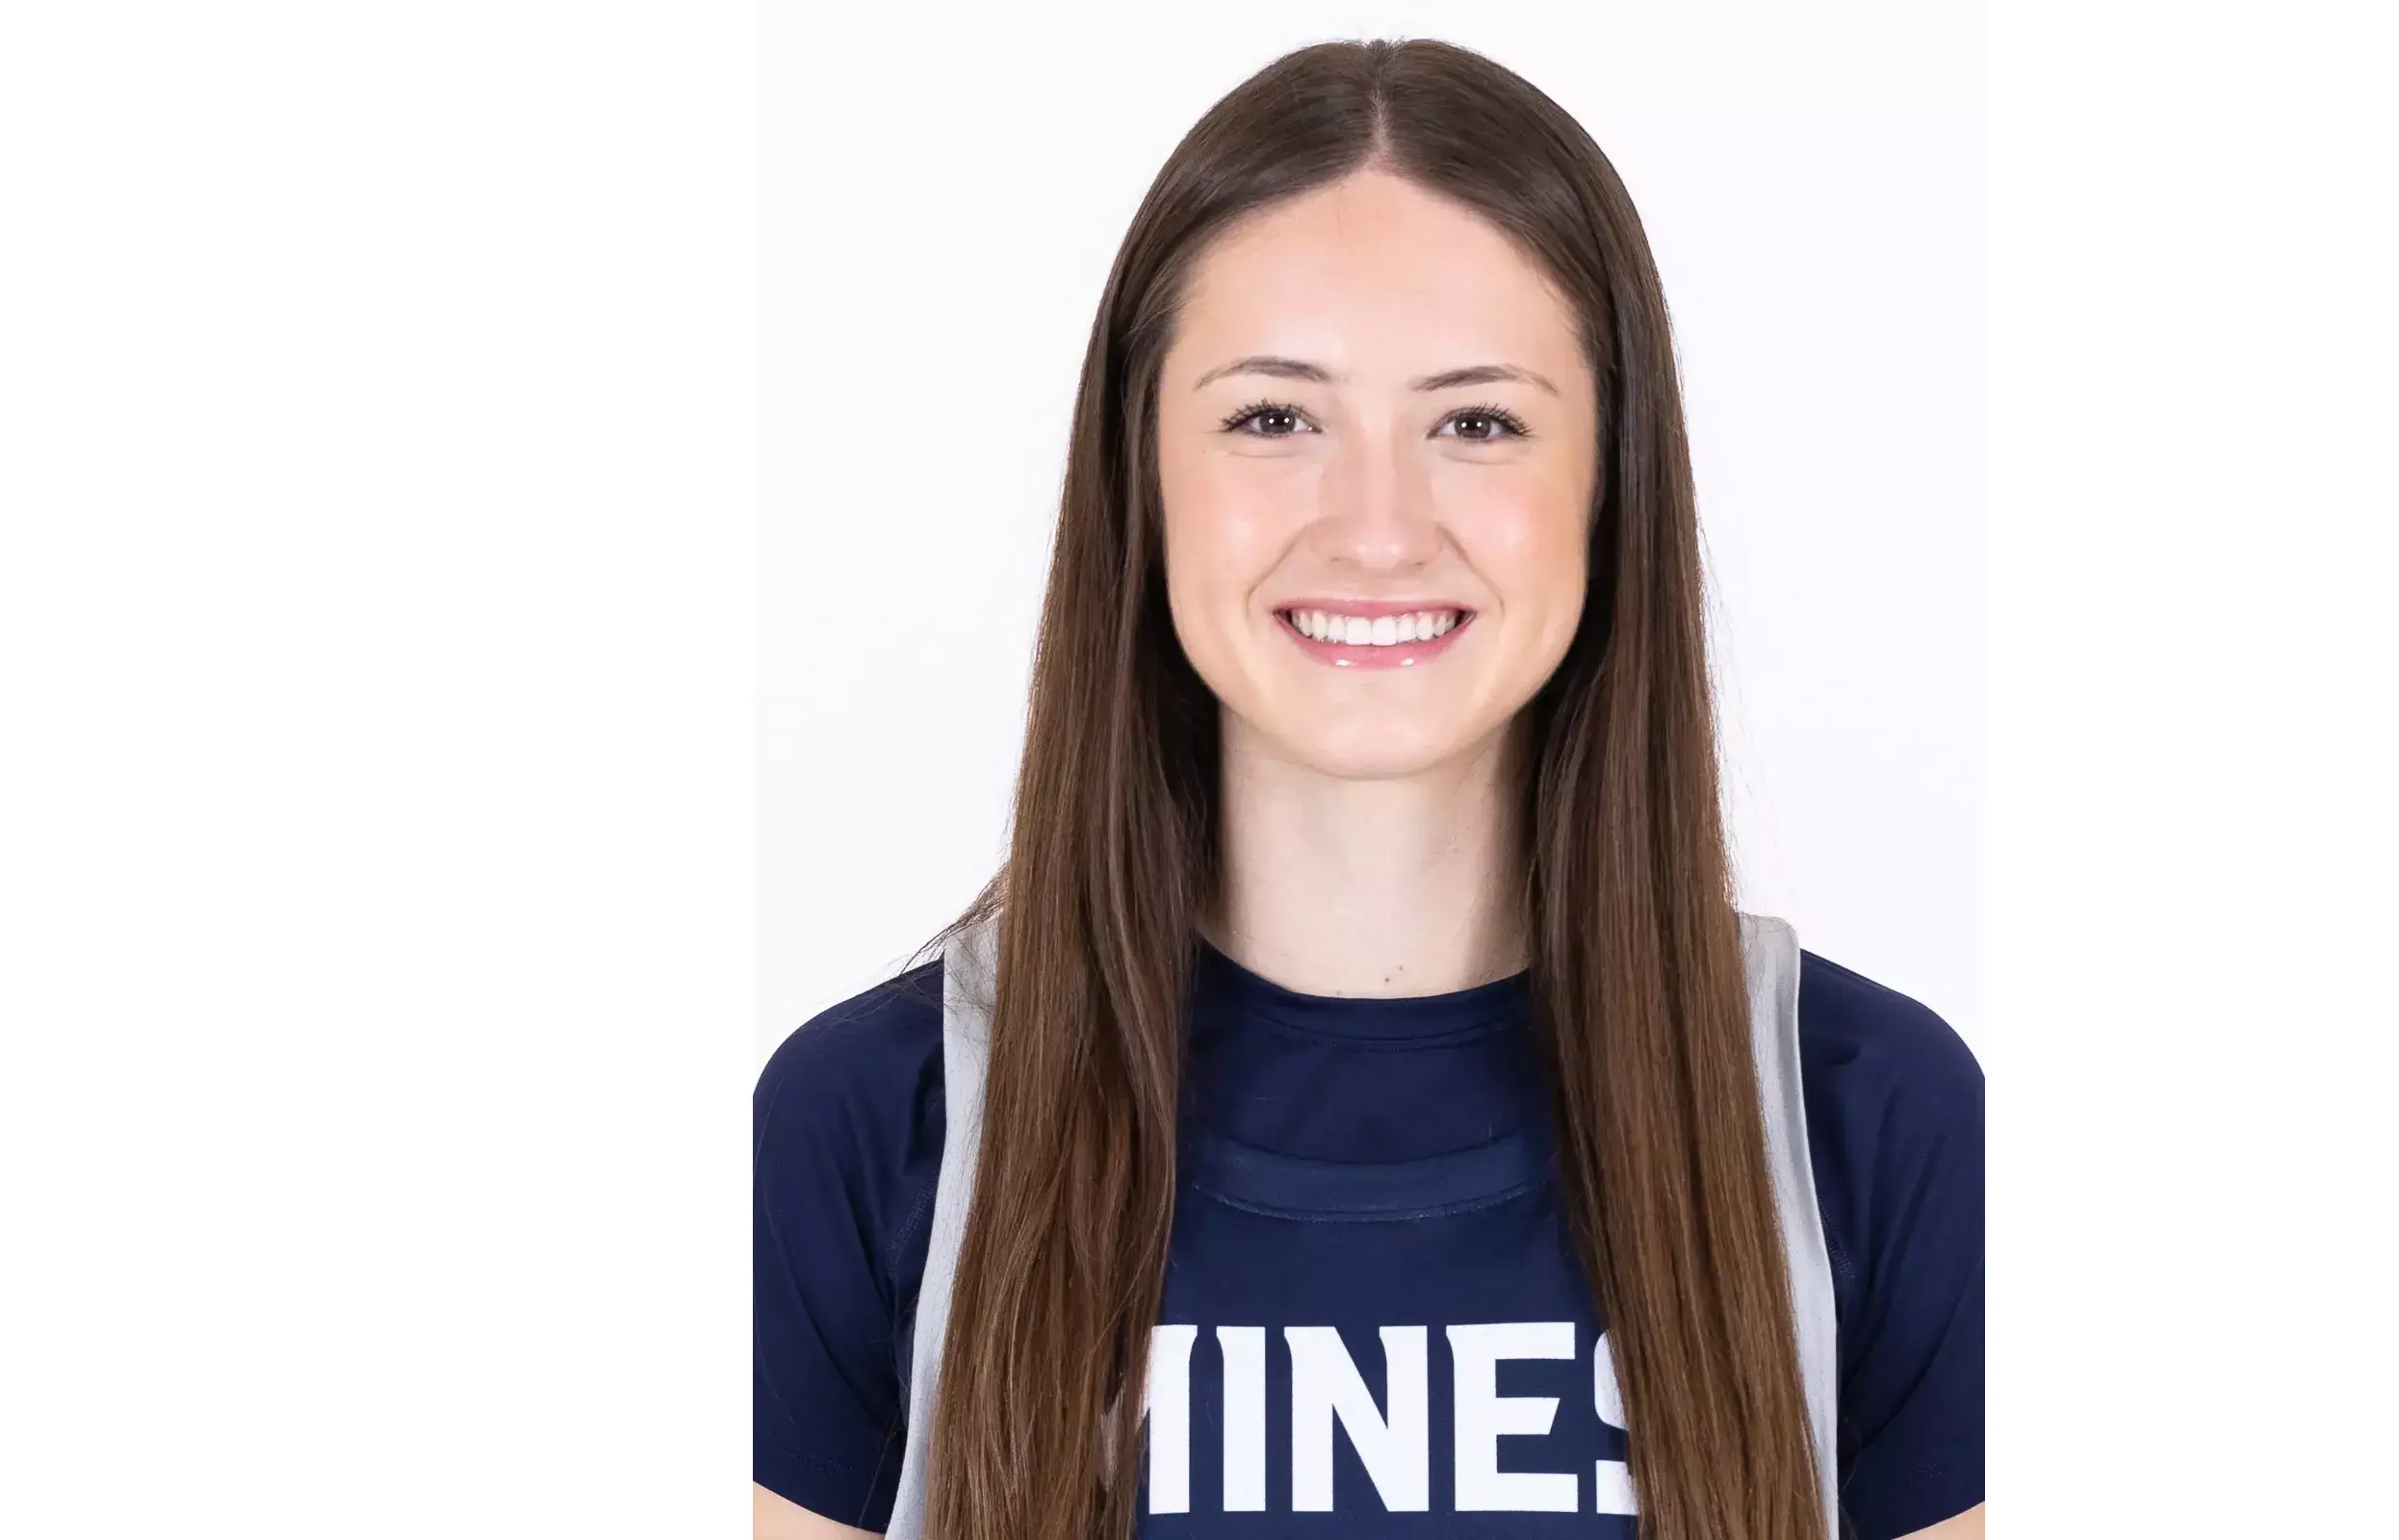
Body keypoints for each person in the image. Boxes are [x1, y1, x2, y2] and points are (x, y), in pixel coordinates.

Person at [754, 36, 1982, 1540]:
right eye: (1274, 418)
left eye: (1478, 423)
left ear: (1610, 483)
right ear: (1143, 477)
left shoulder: (1869, 1123)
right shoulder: (875, 1126)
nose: (1378, 527)